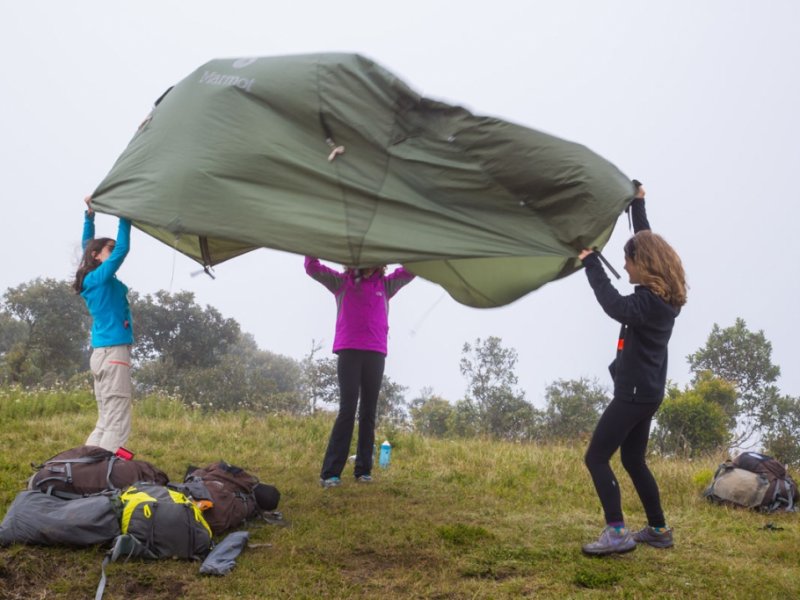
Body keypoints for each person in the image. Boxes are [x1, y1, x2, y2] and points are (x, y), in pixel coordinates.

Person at [578, 183, 687, 555]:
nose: (624, 264)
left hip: (634, 394)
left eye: (628, 260)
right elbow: (644, 239)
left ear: (644, 265)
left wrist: (590, 262)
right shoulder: (663, 297)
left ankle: (617, 532)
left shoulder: (646, 304)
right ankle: (658, 529)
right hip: (648, 392)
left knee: (596, 457)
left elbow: (615, 306)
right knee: (632, 458)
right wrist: (639, 205)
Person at [305, 257, 415, 488]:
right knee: (348, 409)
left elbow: (411, 271)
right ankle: (330, 473)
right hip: (349, 350)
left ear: (380, 262)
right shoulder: (341, 282)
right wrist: (311, 248)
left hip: (376, 352)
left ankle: (363, 470)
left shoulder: (385, 286)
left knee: (368, 411)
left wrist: (405, 247)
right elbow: (312, 268)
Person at [73, 196, 134, 452]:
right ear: (98, 257)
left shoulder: (92, 279)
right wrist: (125, 215)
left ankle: (84, 470)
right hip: (114, 353)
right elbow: (122, 250)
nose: (114, 250)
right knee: (117, 421)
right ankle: (103, 476)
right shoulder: (99, 277)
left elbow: (88, 245)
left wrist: (90, 216)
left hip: (100, 355)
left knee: (105, 420)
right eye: (108, 249)